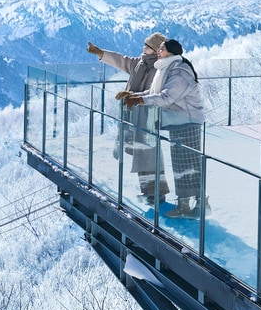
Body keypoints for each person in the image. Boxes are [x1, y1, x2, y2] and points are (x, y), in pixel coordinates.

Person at [123, 39, 207, 219]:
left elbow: (167, 97)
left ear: (170, 52)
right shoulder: (166, 68)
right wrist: (133, 95)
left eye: (161, 48)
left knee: (191, 164)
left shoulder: (180, 72)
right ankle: (184, 204)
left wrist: (140, 100)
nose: (158, 51)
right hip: (177, 122)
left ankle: (201, 204)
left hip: (188, 121)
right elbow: (155, 92)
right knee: (180, 165)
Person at [86, 33, 168, 202]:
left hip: (148, 117)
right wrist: (101, 53)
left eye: (146, 46)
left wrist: (133, 96)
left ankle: (156, 194)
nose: (143, 48)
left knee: (149, 155)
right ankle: (148, 193)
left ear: (154, 50)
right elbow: (121, 60)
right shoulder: (141, 63)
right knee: (141, 154)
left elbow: (154, 93)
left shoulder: (159, 69)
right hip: (135, 115)